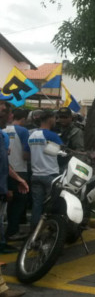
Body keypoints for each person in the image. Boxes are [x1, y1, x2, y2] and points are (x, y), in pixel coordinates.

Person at [0, 98, 25, 297]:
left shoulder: (1, 136)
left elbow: (4, 164)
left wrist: (17, 179)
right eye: (6, 113)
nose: (8, 117)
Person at [26, 110, 63, 230]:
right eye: (55, 118)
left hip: (35, 175)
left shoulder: (31, 135)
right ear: (50, 119)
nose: (56, 121)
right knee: (52, 206)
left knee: (37, 205)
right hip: (50, 175)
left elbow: (25, 156)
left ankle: (33, 232)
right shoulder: (52, 135)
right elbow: (63, 152)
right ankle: (51, 232)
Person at [3, 109, 30, 240]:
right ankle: (13, 231)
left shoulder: (3, 130)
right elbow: (25, 155)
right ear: (23, 118)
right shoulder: (23, 131)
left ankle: (8, 231)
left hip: (5, 170)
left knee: (7, 202)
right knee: (18, 203)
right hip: (19, 172)